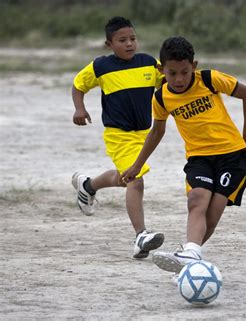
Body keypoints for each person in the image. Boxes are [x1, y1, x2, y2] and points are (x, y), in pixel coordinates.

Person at [120, 36, 246, 273]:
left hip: (232, 156)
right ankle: (190, 256)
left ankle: (188, 255)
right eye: (172, 73)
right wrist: (136, 165)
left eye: (185, 72)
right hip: (198, 158)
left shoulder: (209, 79)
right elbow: (156, 132)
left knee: (212, 215)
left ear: (194, 66)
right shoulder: (161, 97)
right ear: (161, 69)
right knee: (197, 201)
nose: (179, 79)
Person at [71, 16, 165, 258]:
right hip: (119, 135)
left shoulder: (148, 63)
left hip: (144, 135)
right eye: (122, 40)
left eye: (133, 38)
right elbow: (78, 85)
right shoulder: (101, 66)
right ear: (109, 44)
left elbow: (168, 84)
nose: (129, 44)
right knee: (136, 180)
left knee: (125, 178)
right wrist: (79, 108)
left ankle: (88, 185)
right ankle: (141, 236)